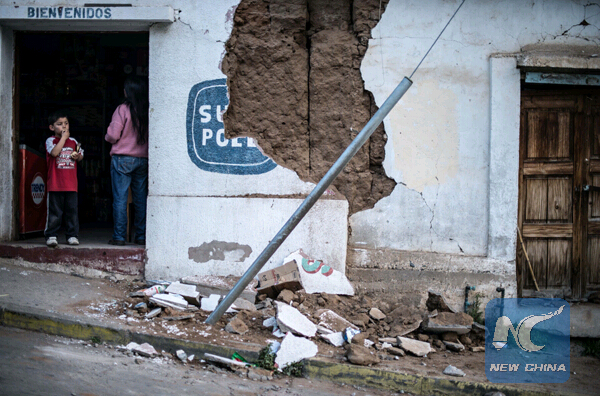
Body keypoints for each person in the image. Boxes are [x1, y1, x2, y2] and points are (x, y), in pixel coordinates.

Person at [105, 76, 149, 246]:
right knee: (140, 200)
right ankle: (141, 236)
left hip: (122, 159)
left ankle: (119, 237)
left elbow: (113, 135)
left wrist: (107, 137)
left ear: (128, 91)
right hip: (142, 160)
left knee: (121, 199)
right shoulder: (146, 110)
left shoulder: (122, 109)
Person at [44, 111, 84, 247]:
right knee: (55, 212)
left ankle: (72, 235)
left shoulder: (73, 142)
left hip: (71, 185)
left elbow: (81, 154)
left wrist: (77, 157)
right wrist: (63, 138)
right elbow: (54, 153)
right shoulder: (51, 141)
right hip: (55, 184)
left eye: (66, 123)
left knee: (71, 212)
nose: (64, 127)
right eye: (59, 124)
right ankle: (51, 235)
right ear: (52, 127)